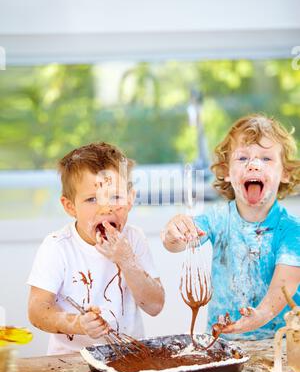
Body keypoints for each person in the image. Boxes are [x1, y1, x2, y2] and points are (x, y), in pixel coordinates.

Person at [161, 114, 300, 340]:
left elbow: (283, 289)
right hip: (222, 343)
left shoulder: (292, 231)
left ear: (285, 173)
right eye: (243, 158)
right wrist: (173, 231)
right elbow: (176, 244)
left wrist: (259, 315)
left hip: (279, 346)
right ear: (226, 171)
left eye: (266, 159)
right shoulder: (217, 219)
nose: (254, 165)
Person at [28, 142, 165, 354]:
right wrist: (77, 324)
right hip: (71, 365)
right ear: (70, 206)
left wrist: (126, 261)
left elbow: (155, 306)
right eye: (92, 199)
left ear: (130, 199)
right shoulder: (57, 247)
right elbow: (37, 311)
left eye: (115, 197)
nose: (106, 208)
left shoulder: (134, 239)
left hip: (128, 360)